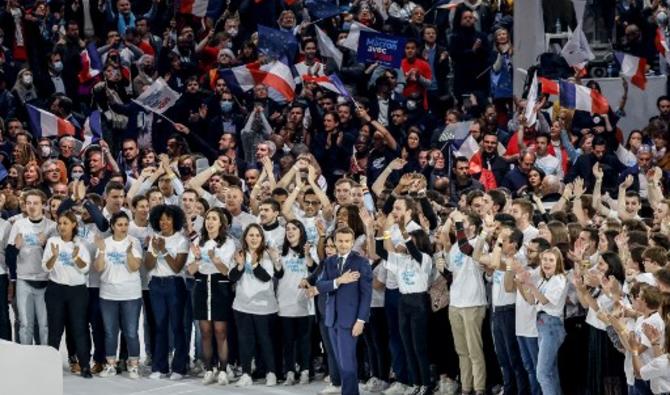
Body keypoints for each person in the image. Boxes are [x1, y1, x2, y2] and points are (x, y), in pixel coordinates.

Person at [315, 226, 373, 395]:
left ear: (352, 242)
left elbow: (366, 295)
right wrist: (338, 281)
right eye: (340, 241)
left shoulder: (361, 262)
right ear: (335, 241)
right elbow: (320, 286)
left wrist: (361, 320)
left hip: (350, 320)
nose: (343, 244)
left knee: (347, 361)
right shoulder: (329, 262)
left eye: (347, 241)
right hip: (331, 318)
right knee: (340, 361)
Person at [186, 207, 236, 385]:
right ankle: (209, 368)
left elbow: (228, 272)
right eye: (208, 218)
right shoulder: (198, 241)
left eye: (214, 218)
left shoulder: (228, 243)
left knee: (220, 331)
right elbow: (190, 270)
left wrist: (215, 260)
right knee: (205, 332)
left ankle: (223, 368)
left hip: (220, 287)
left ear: (221, 223)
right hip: (200, 286)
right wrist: (198, 260)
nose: (210, 222)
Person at [42, 210, 92, 378]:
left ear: (73, 225)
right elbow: (45, 267)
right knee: (55, 330)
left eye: (65, 223)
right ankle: (50, 367)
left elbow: (85, 269)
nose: (61, 226)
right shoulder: (52, 242)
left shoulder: (81, 245)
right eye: (60, 223)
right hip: (56, 290)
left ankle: (85, 365)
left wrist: (76, 258)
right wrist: (54, 257)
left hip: (77, 292)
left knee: (79, 329)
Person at [228, 223, 279, 387]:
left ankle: (271, 372)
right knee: (245, 341)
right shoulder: (239, 254)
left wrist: (255, 263)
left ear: (262, 238)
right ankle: (246, 374)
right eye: (251, 235)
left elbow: (266, 277)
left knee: (265, 340)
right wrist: (241, 265)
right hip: (242, 306)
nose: (254, 238)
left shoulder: (266, 255)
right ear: (245, 238)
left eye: (257, 235)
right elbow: (232, 277)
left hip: (264, 307)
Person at [95, 211, 143, 379]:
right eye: (120, 225)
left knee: (131, 332)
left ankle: (134, 364)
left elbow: (135, 267)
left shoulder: (134, 242)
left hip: (130, 294)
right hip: (108, 294)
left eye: (125, 224)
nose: (123, 228)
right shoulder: (105, 243)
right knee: (110, 332)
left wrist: (129, 253)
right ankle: (110, 365)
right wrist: (101, 251)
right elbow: (99, 268)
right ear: (113, 226)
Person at [145, 204, 189, 380]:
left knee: (177, 326)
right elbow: (148, 265)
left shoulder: (181, 240)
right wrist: (154, 250)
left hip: (174, 284)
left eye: (168, 219)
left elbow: (177, 267)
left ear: (175, 221)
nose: (164, 222)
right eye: (161, 219)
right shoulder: (155, 238)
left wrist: (163, 249)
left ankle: (179, 367)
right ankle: (159, 367)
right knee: (160, 326)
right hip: (156, 284)